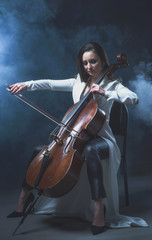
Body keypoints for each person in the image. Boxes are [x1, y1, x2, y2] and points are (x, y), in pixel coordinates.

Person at [7, 42, 147, 235]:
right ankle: (23, 200)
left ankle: (99, 209)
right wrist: (26, 85)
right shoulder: (78, 82)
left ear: (102, 61)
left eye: (93, 61)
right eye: (85, 63)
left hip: (103, 140)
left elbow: (134, 98)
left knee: (90, 150)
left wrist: (105, 92)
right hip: (74, 137)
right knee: (40, 151)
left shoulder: (113, 84)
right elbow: (49, 83)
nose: (89, 66)